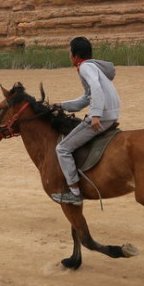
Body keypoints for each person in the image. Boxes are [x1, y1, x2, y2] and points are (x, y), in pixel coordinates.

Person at [51, 36, 121, 205]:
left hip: (103, 116)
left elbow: (96, 88)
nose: (69, 55)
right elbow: (86, 98)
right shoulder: (92, 66)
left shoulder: (84, 67)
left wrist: (96, 115)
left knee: (62, 148)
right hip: (111, 113)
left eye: (69, 51)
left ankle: (74, 192)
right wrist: (62, 105)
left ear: (76, 55)